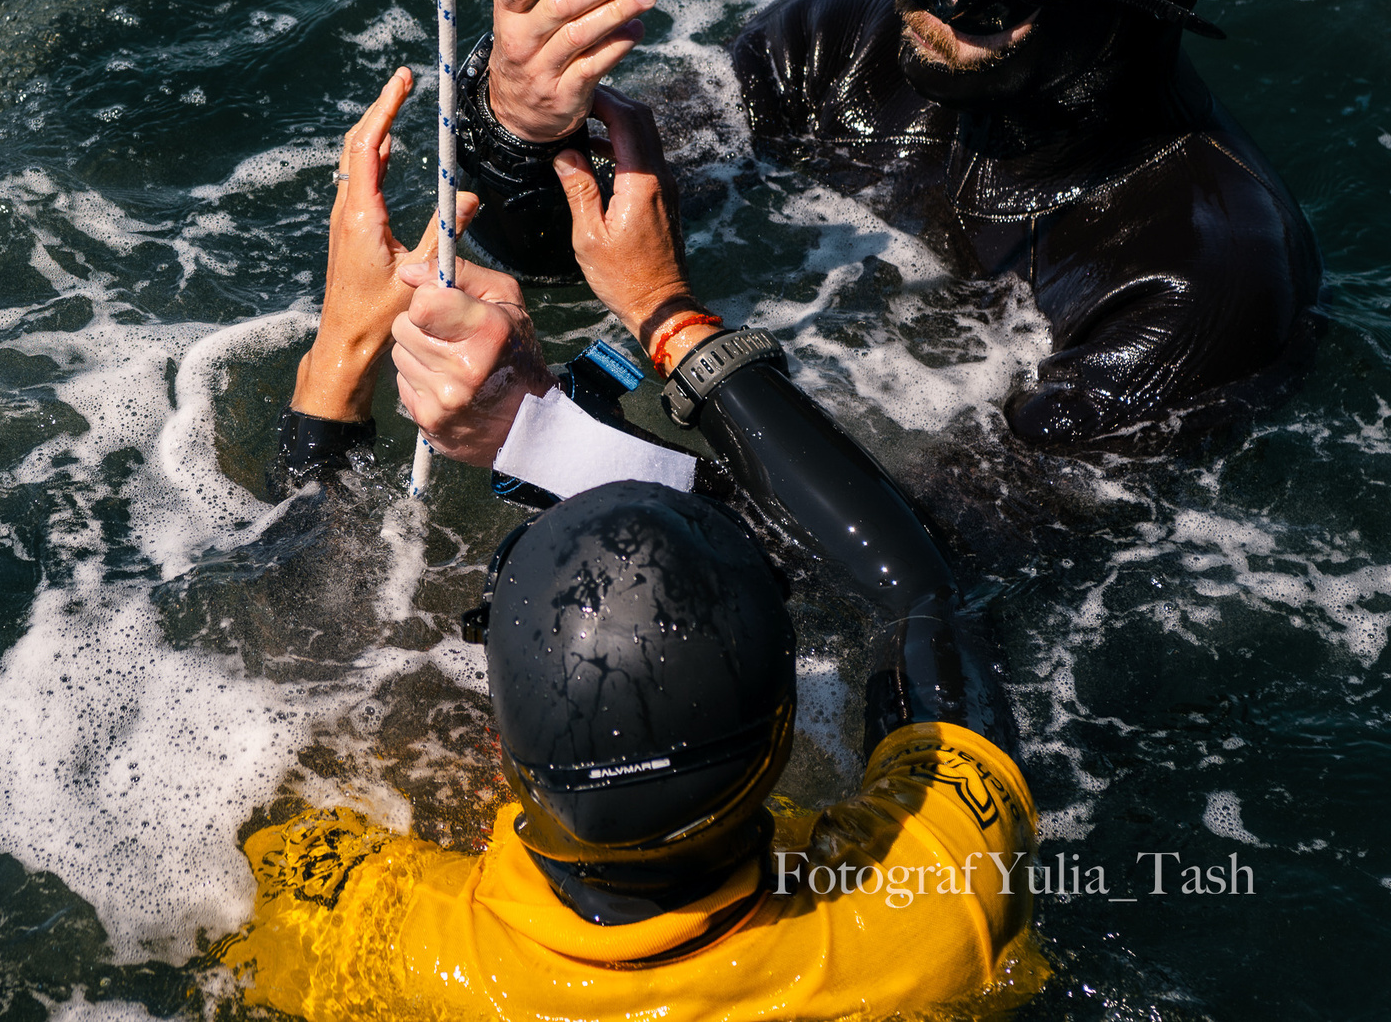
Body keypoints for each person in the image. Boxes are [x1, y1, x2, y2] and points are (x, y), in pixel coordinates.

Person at [230, 82, 1043, 1021]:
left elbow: (275, 712)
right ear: (791, 730)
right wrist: (668, 313)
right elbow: (922, 598)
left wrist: (338, 356)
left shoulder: (383, 947)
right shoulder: (936, 911)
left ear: (500, 751)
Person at [457, 0, 1317, 449]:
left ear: (1101, 8)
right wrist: (522, 124)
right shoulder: (841, 39)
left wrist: (662, 325)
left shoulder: (1194, 287)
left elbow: (936, 581)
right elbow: (563, 250)